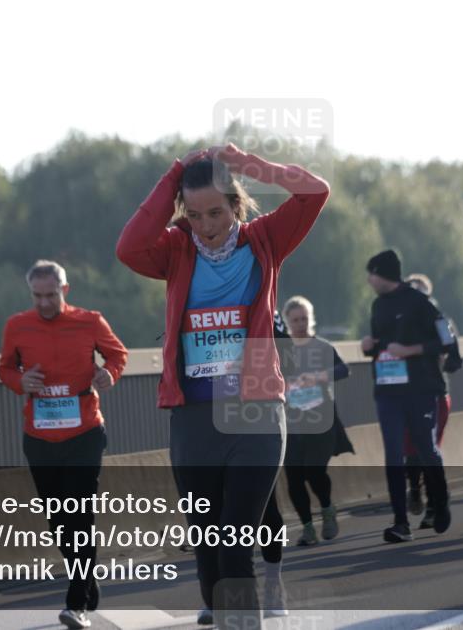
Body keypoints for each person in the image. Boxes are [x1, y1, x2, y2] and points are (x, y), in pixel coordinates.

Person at [116, 143, 329, 627]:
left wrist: (246, 162)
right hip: (193, 418)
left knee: (235, 548)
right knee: (209, 552)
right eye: (193, 215)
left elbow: (315, 192)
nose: (205, 226)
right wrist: (174, 174)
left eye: (215, 212)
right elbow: (128, 248)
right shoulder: (174, 248)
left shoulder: (266, 240)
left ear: (236, 204)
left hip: (255, 414)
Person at [0, 260, 128, 630]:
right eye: (37, 296)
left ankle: (76, 602)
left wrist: (108, 373)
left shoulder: (90, 321)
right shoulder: (17, 326)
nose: (44, 303)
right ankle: (86, 580)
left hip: (84, 433)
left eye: (51, 295)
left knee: (79, 515)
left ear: (64, 291)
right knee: (58, 521)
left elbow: (117, 354)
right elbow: (5, 368)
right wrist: (21, 383)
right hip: (40, 437)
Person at [362, 249, 453, 542]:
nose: (368, 280)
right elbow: (381, 344)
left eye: (371, 274)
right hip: (387, 390)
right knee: (393, 455)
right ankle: (401, 522)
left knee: (426, 449)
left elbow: (445, 341)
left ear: (383, 274)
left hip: (420, 389)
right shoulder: (377, 306)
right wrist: (369, 346)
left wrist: (410, 351)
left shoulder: (419, 302)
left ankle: (440, 504)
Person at [277, 296, 354, 545]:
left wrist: (320, 376)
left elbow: (344, 370)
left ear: (311, 320)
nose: (300, 324)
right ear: (287, 322)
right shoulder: (280, 350)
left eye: (304, 319)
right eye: (295, 320)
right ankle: (308, 528)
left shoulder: (321, 346)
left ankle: (327, 508)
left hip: (321, 419)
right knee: (294, 477)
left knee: (314, 469)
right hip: (292, 422)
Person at [402, 273, 461, 528]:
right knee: (409, 451)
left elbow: (455, 358)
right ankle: (415, 488)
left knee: (428, 449)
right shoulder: (396, 322)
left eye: (421, 293)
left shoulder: (440, 321)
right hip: (402, 396)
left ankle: (436, 504)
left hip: (434, 393)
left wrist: (434, 361)